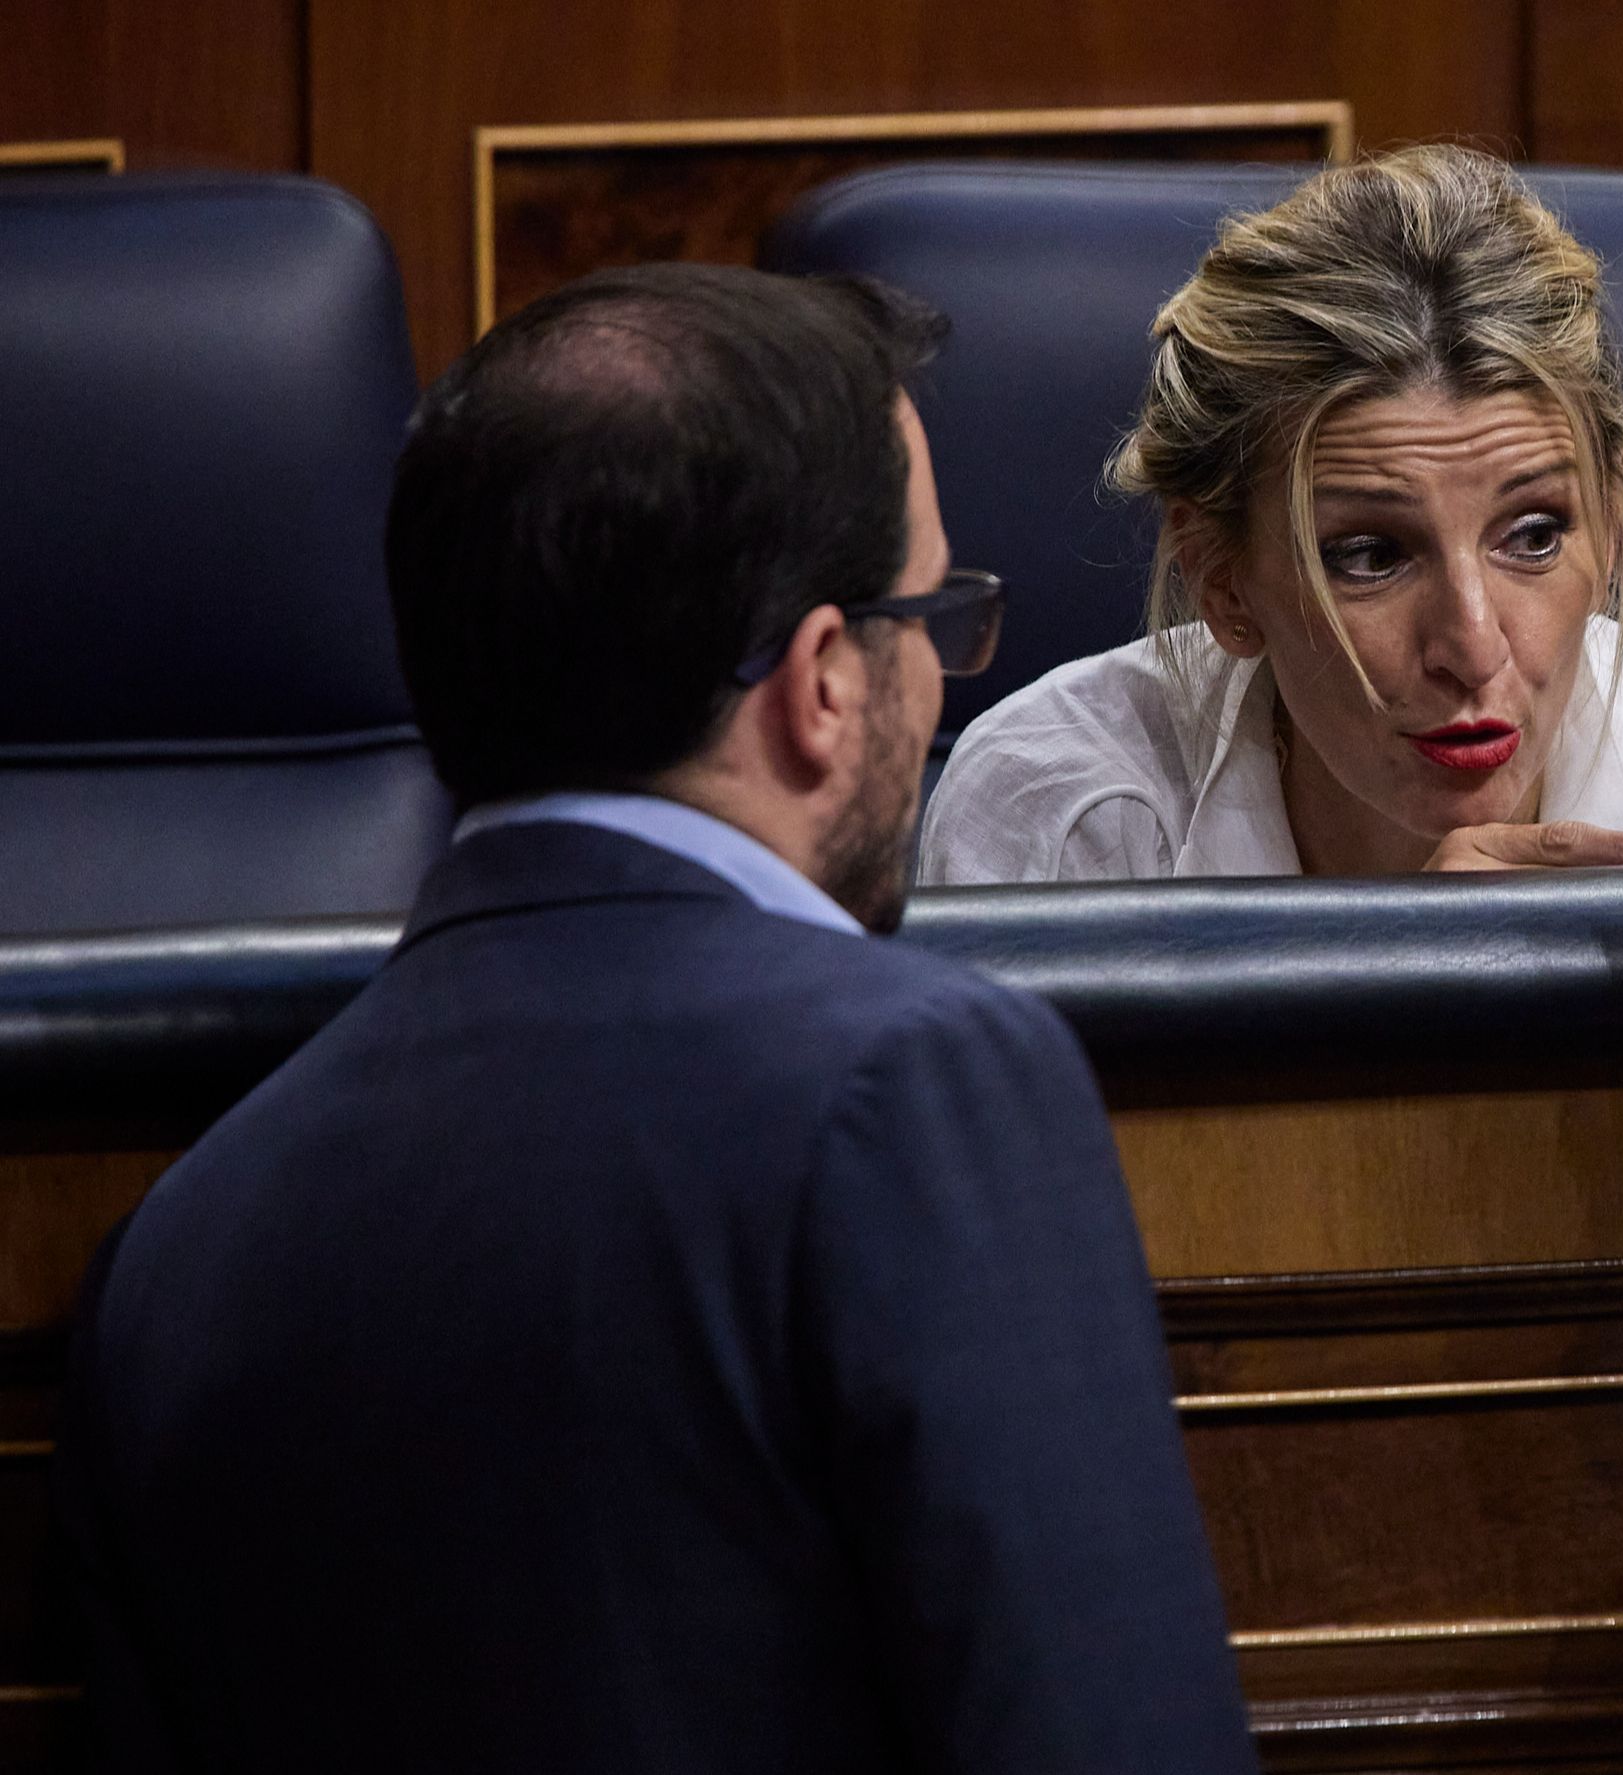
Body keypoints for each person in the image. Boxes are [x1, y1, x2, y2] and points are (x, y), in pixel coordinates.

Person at [53, 264, 1259, 1774]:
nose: (939, 687)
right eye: (930, 616)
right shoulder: (914, 1085)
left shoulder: (179, 1239)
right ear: (821, 680)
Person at [918, 143, 1623, 882]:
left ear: (1613, 523)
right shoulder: (1058, 818)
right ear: (1224, 581)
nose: (1472, 643)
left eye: (1533, 535)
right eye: (1369, 554)